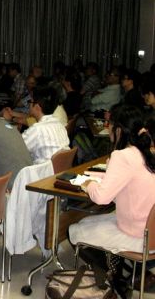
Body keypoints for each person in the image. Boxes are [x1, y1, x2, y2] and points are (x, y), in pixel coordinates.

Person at [69, 105, 155, 288]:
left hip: (137, 234)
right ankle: (122, 271)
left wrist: (88, 184)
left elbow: (101, 198)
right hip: (150, 231)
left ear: (117, 129)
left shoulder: (122, 156)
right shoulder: (145, 153)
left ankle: (114, 280)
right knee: (86, 223)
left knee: (74, 230)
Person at [21, 86, 70, 163]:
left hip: (44, 172)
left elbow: (16, 149)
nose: (29, 105)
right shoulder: (59, 125)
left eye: (30, 102)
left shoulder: (37, 129)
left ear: (37, 107)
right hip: (61, 169)